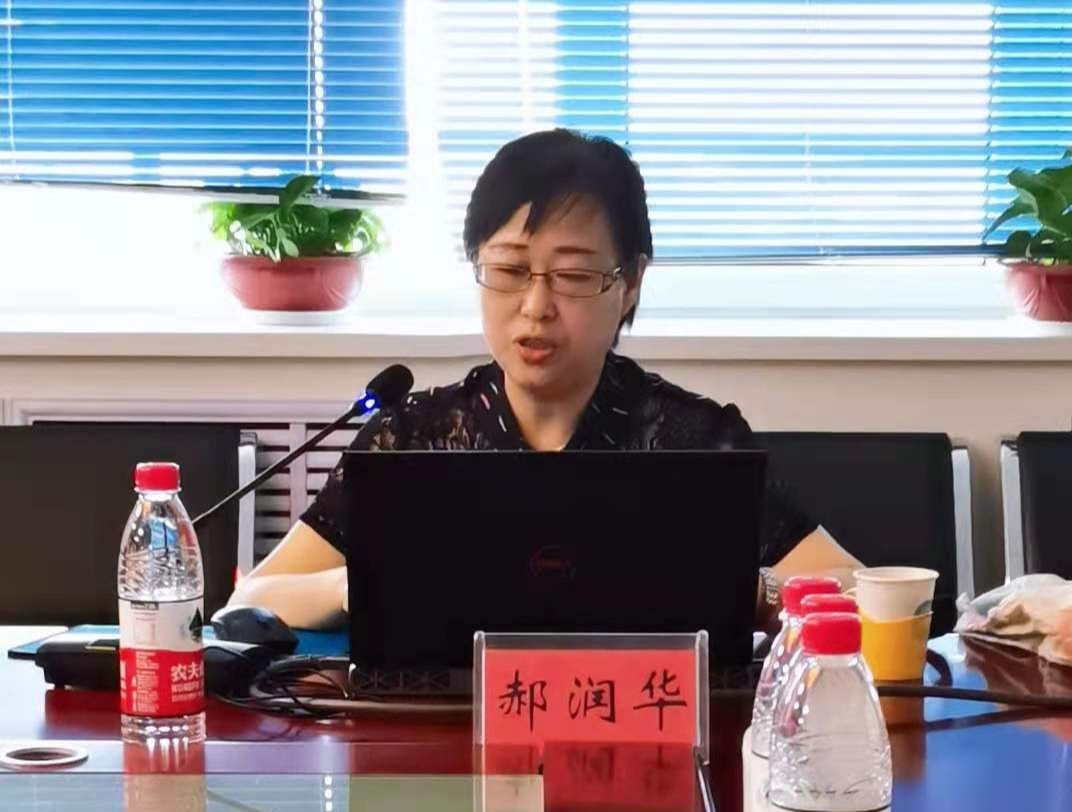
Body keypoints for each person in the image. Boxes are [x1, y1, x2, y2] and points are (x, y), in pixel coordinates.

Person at [228, 129, 862, 630]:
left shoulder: (695, 439)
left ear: (630, 283)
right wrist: (362, 582)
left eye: (574, 276)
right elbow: (253, 599)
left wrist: (754, 591)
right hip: (442, 735)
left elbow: (862, 591)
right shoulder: (412, 437)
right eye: (508, 270)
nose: (535, 308)